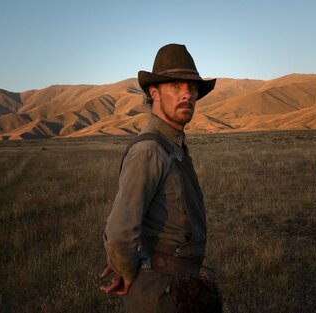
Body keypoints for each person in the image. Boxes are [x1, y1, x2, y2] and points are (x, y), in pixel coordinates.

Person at [99, 43, 222, 313]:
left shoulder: (173, 145)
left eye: (192, 88)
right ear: (154, 92)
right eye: (176, 87)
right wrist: (127, 271)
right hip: (158, 295)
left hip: (178, 287)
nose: (187, 95)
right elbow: (120, 232)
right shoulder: (149, 150)